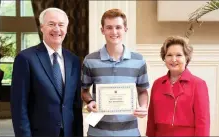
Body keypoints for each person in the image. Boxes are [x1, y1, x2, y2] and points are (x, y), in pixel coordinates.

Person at [10, 8, 83, 137]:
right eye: (51, 24)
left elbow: (75, 105)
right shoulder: (26, 58)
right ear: (42, 27)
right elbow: (19, 107)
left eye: (61, 25)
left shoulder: (74, 61)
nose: (57, 29)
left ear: (66, 28)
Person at [81, 8, 149, 136]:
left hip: (130, 133)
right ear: (102, 30)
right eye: (109, 27)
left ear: (125, 29)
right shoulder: (90, 60)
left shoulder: (138, 60)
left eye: (118, 27)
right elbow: (83, 90)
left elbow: (143, 91)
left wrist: (143, 107)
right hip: (98, 133)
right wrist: (90, 102)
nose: (114, 32)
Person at [146, 36, 210, 136]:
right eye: (169, 55)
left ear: (186, 57)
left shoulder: (198, 84)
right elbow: (151, 117)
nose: (173, 59)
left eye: (179, 55)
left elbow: (203, 121)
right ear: (164, 57)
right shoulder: (157, 83)